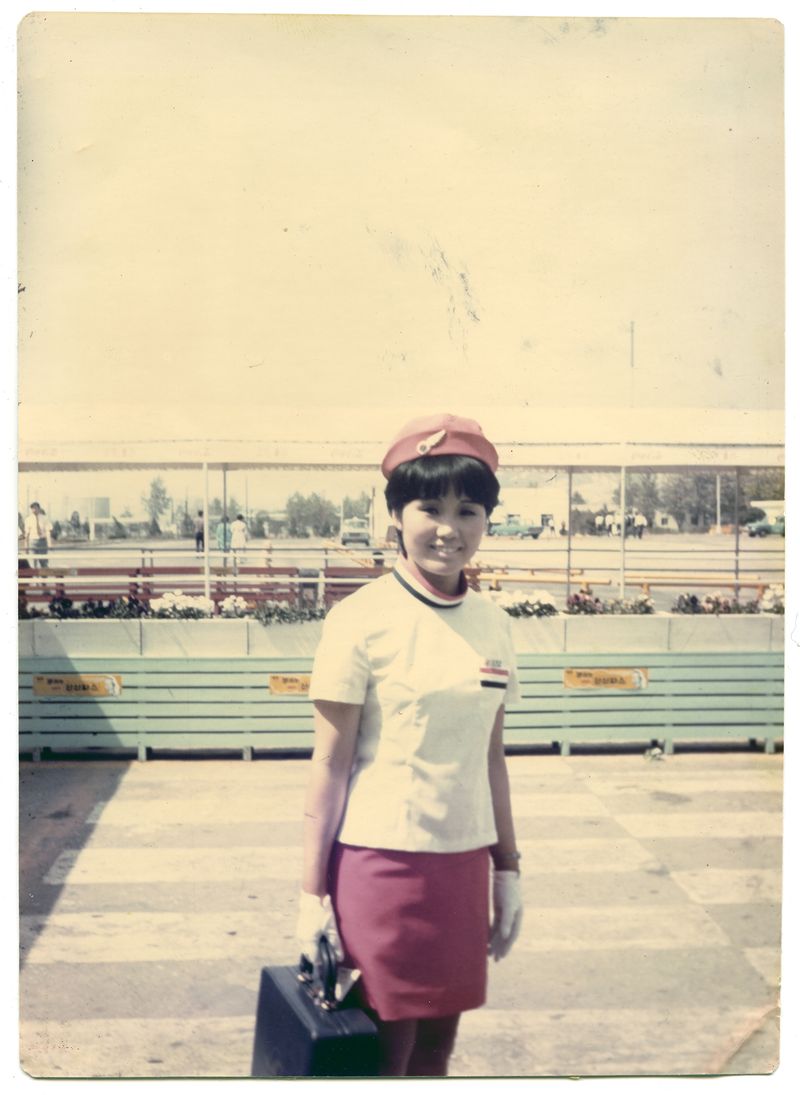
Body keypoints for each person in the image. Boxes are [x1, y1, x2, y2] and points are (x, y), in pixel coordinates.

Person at [296, 413, 523, 1077]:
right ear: (395, 513)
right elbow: (330, 765)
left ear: (487, 520)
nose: (449, 528)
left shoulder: (494, 624)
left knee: (435, 1051)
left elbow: (491, 757)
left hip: (461, 868)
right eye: (429, 506)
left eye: (469, 509)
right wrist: (310, 893)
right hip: (381, 868)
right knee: (381, 1054)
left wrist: (507, 869)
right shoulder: (359, 619)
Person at [24, 501, 52, 568]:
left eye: (35, 508)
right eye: (32, 508)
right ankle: (35, 577)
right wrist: (26, 546)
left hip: (42, 541)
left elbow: (48, 532)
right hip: (32, 542)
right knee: (33, 562)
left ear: (39, 509)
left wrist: (49, 544)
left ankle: (44, 577)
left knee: (43, 561)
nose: (34, 510)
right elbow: (27, 534)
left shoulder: (44, 518)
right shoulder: (28, 519)